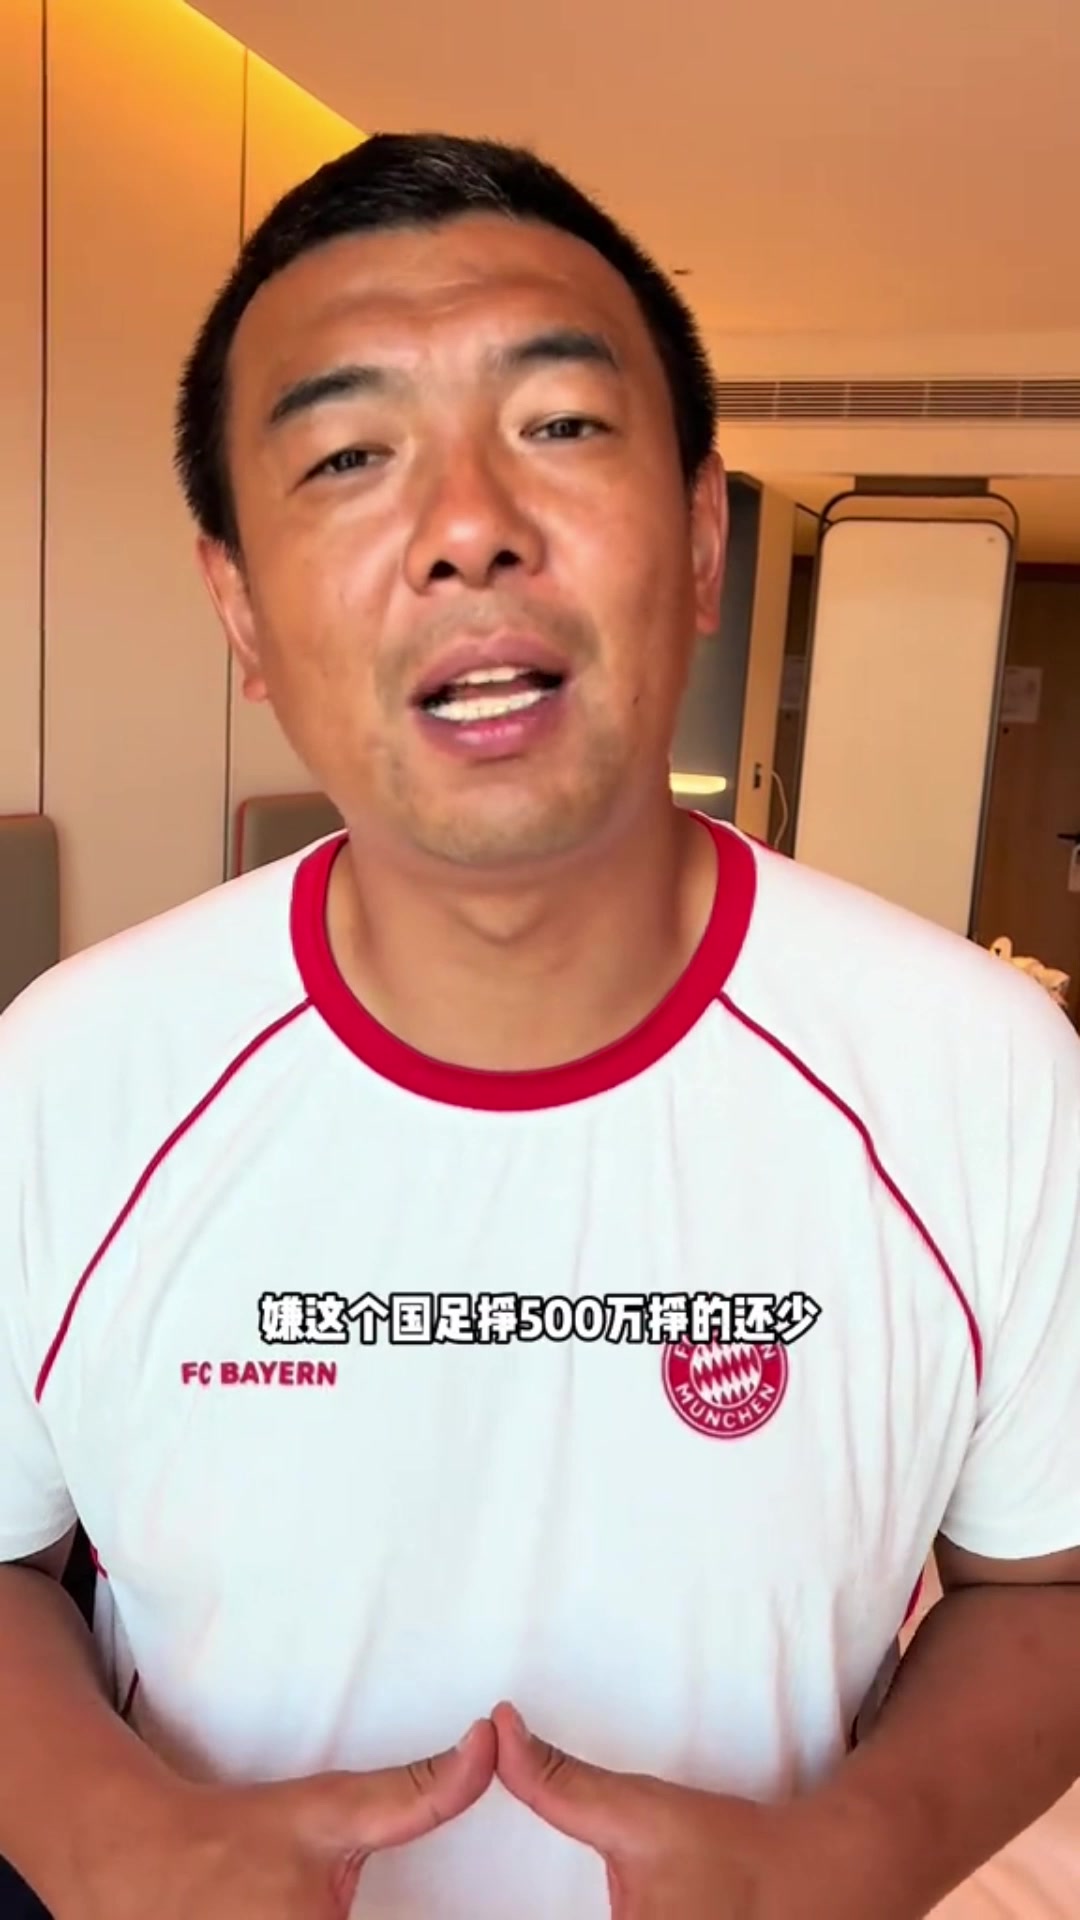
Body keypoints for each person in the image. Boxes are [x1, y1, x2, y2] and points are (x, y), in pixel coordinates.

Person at [0, 131, 1078, 1920]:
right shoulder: (66, 1076)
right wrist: (118, 1845)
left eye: (562, 424)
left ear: (705, 540)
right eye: (349, 456)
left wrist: (855, 1857)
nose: (468, 526)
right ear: (240, 610)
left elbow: (1045, 1581)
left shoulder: (981, 1076)